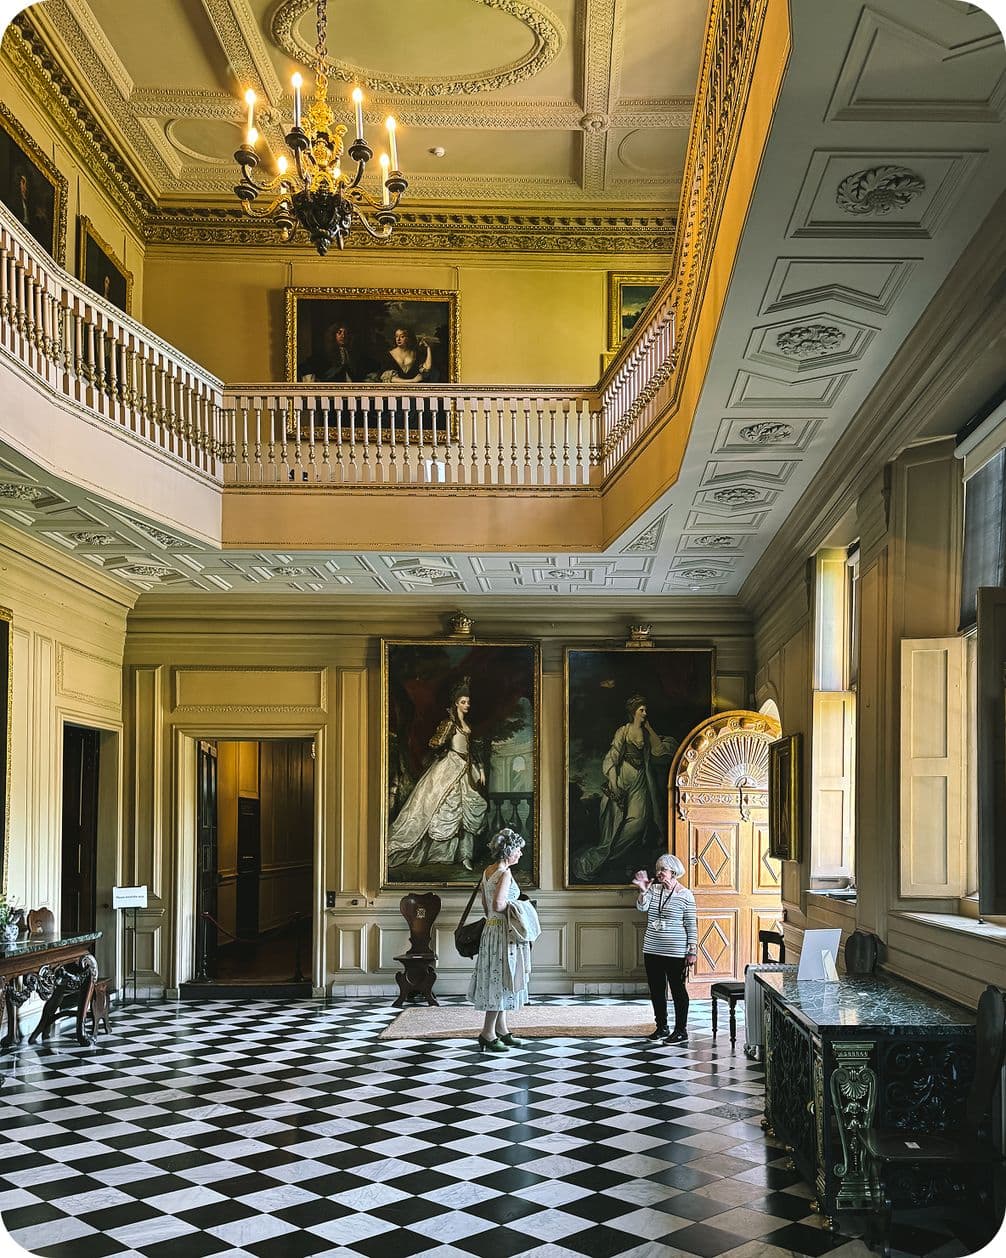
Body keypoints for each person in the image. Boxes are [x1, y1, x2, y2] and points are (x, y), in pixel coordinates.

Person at [386, 677, 488, 871]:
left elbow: (472, 751)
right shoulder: (449, 723)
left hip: (466, 768)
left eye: (468, 702)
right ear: (456, 703)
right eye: (463, 702)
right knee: (442, 807)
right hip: (449, 766)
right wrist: (442, 738)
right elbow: (434, 742)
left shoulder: (467, 726)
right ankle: (437, 855)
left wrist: (481, 770)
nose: (467, 705)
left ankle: (464, 855)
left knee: (468, 809)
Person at [573, 694, 677, 882]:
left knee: (638, 821)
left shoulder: (646, 732)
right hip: (623, 777)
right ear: (633, 712)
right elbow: (613, 755)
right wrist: (613, 782)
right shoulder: (623, 731)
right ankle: (607, 856)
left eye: (645, 710)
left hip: (640, 779)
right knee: (615, 823)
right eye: (641, 710)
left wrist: (649, 728)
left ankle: (612, 856)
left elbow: (659, 750)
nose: (645, 713)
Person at [469, 828, 539, 1052]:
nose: (520, 853)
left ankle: (502, 1029)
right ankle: (487, 1033)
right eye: (518, 849)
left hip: (491, 930)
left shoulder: (488, 871)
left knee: (500, 978)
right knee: (501, 980)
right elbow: (499, 905)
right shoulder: (505, 874)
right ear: (509, 850)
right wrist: (521, 907)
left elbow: (485, 906)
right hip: (503, 933)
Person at [633, 853, 697, 1045]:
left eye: (663, 869)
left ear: (674, 872)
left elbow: (691, 924)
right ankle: (661, 1027)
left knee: (678, 990)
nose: (659, 873)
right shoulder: (653, 890)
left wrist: (692, 950)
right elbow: (642, 908)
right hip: (652, 947)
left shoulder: (686, 895)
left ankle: (681, 1030)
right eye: (658, 869)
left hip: (676, 950)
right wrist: (643, 891)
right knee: (656, 990)